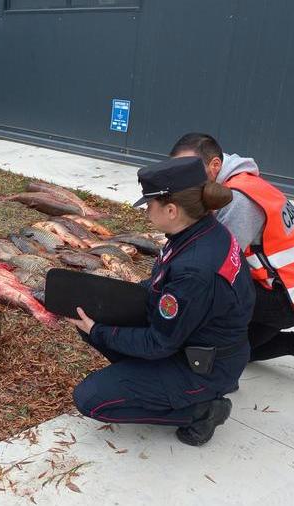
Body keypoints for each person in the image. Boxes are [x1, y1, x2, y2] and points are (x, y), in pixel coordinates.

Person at [70, 157, 254, 446]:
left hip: (203, 365)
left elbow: (159, 343)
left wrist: (99, 332)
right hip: (203, 342)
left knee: (90, 399)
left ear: (171, 210)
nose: (145, 211)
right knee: (93, 312)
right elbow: (162, 289)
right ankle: (149, 379)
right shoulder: (200, 231)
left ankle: (202, 409)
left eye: (149, 204)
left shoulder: (194, 268)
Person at [170, 133, 294, 389]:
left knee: (219, 341)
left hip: (292, 296)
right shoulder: (240, 183)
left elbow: (215, 262)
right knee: (244, 351)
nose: (182, 177)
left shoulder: (239, 198)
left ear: (215, 165)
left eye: (188, 169)